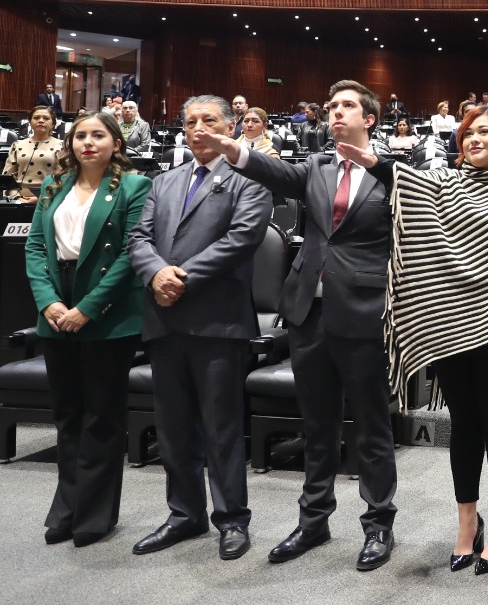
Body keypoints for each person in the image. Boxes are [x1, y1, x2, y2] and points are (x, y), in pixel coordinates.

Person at [193, 80, 399, 571]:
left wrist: (379, 166)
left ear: (369, 118)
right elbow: (274, 171)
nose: (336, 112)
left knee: (371, 425)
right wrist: (234, 150)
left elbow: (416, 201)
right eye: (331, 106)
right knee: (317, 424)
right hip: (309, 313)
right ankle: (313, 520)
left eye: (347, 106)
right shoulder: (317, 166)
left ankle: (378, 524)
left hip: (365, 311)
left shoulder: (392, 172)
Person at [369, 105, 488, 577]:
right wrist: (370, 159)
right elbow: (404, 182)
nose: (473, 139)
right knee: (464, 425)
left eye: (483, 132)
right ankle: (466, 521)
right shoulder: (445, 185)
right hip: (449, 328)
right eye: (466, 134)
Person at [127, 96, 272, 561]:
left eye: (209, 120)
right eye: (191, 122)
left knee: (220, 427)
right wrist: (156, 274)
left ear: (230, 128)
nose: (198, 128)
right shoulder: (164, 181)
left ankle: (231, 518)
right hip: (165, 319)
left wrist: (180, 278)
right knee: (173, 427)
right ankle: (184, 514)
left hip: (217, 321)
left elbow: (242, 239)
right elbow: (138, 238)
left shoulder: (250, 179)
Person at [23, 111, 150, 547]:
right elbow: (35, 246)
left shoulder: (134, 186)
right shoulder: (53, 184)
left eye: (98, 135)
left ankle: (95, 514)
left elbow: (131, 255)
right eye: (80, 136)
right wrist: (49, 301)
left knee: (101, 416)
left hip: (107, 312)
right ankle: (67, 507)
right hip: (57, 304)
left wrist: (88, 308)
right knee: (67, 415)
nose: (88, 143)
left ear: (117, 143)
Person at [3, 105, 62, 201]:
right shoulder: (18, 145)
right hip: (19, 200)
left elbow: (63, 179)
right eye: (36, 118)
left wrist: (41, 198)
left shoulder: (61, 146)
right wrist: (16, 197)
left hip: (49, 199)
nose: (41, 121)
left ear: (53, 124)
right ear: (30, 122)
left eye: (46, 118)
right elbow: (7, 178)